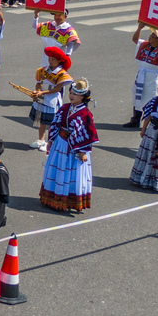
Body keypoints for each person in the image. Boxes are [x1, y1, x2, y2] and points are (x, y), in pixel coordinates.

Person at [40, 79, 98, 216]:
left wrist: (83, 151)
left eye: (75, 94)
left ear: (83, 97)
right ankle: (53, 198)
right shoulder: (65, 108)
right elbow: (55, 123)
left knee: (71, 173)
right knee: (57, 170)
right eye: (71, 93)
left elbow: (88, 133)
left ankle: (67, 201)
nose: (71, 96)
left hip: (74, 149)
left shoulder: (86, 114)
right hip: (60, 144)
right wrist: (51, 139)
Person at [126, 25, 158, 128]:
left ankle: (152, 122)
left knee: (152, 99)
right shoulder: (145, 45)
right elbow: (135, 39)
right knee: (137, 96)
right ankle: (135, 119)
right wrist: (139, 28)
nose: (150, 38)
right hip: (142, 76)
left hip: (153, 79)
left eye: (153, 37)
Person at [29, 47, 72, 151]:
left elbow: (57, 88)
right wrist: (36, 91)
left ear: (59, 61)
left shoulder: (61, 73)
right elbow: (39, 83)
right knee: (41, 120)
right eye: (49, 59)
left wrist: (42, 92)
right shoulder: (43, 70)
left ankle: (50, 142)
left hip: (52, 100)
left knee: (53, 123)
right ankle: (41, 140)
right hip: (41, 98)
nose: (50, 61)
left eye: (53, 60)